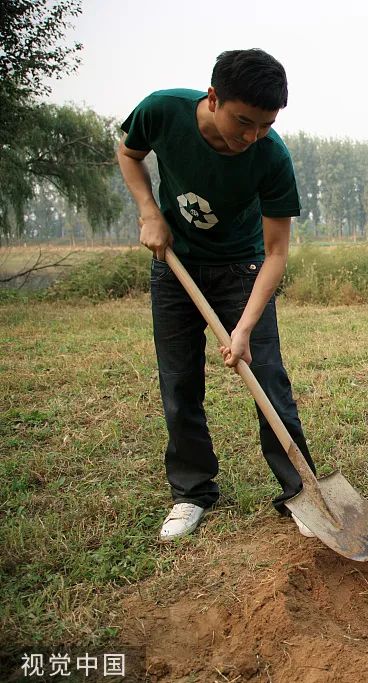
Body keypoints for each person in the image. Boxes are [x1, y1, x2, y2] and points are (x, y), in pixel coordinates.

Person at [116, 48, 316, 542]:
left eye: (265, 124)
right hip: (176, 265)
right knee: (180, 381)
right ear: (213, 97)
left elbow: (275, 253)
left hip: (243, 268)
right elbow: (129, 151)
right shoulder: (162, 110)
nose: (252, 136)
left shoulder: (271, 157)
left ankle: (301, 491)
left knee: (267, 378)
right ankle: (192, 492)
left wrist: (244, 327)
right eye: (243, 122)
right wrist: (149, 212)